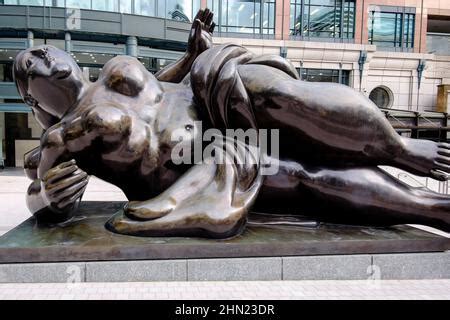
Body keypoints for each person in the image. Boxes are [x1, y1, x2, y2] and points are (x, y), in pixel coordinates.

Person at [13, 10, 450, 238]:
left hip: (210, 96)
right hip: (196, 162)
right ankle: (434, 210)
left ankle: (401, 150)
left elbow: (158, 90)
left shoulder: (113, 68)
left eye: (44, 49)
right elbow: (40, 190)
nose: (43, 56)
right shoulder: (65, 135)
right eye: (29, 63)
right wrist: (48, 198)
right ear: (33, 96)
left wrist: (189, 56)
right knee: (306, 178)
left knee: (289, 99)